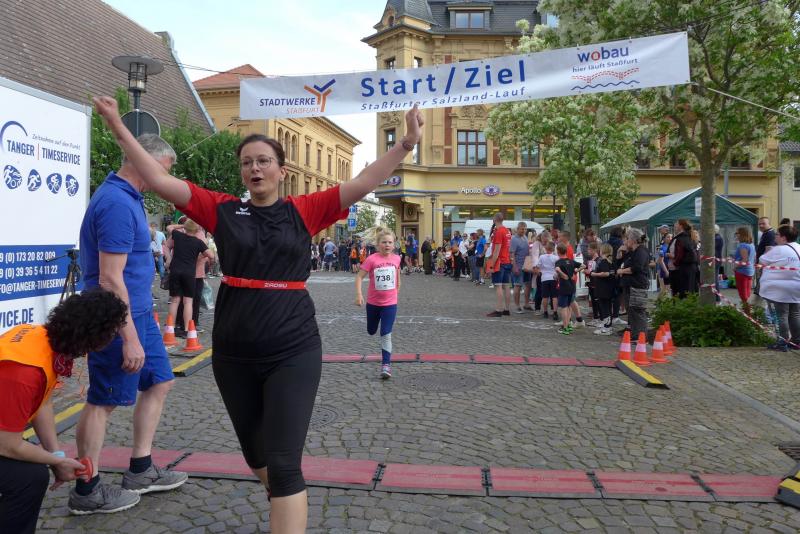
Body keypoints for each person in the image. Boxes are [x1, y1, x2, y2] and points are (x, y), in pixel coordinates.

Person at [94, 95, 423, 533]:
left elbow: (364, 180)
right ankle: (285, 502)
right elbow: (155, 176)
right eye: (247, 162)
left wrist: (405, 144)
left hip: (293, 348)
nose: (255, 168)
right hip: (234, 353)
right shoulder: (222, 209)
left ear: (281, 170)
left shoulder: (304, 210)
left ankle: (287, 503)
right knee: (256, 456)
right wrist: (117, 125)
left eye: (264, 161)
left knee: (284, 465)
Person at [74, 133, 187, 515]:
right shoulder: (117, 203)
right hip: (114, 319)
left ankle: (140, 469)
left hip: (139, 313)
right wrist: (129, 337)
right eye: (163, 171)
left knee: (160, 381)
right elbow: (110, 279)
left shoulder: (129, 198)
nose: (164, 179)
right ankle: (86, 490)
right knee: (103, 401)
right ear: (145, 162)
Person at [0, 289, 128, 533]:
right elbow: (8, 445)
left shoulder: (38, 338)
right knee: (29, 478)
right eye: (112, 333)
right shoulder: (26, 372)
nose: (113, 339)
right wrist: (55, 461)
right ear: (95, 337)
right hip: (4, 439)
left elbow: (43, 403)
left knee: (32, 470)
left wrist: (56, 456)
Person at [354, 227, 402, 378]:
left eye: (390, 242)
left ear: (394, 245)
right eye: (384, 242)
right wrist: (359, 294)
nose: (387, 245)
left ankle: (386, 365)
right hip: (373, 303)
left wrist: (397, 287)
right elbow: (359, 277)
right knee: (371, 330)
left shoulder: (396, 258)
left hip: (390, 304)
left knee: (386, 333)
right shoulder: (372, 259)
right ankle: (372, 327)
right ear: (378, 244)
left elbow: (397, 273)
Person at [166, 219, 214, 334]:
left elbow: (169, 227)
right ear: (197, 230)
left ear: (185, 228)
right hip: (189, 273)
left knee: (174, 301)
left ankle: (171, 327)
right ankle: (187, 329)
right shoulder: (198, 242)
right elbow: (211, 255)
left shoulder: (177, 235)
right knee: (188, 302)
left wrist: (182, 225)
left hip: (175, 271)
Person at [758, 224, 800, 351]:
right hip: (796, 287)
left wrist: (768, 251)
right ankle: (797, 341)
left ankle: (782, 342)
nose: (775, 236)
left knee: (780, 316)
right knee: (795, 314)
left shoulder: (778, 249)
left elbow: (762, 260)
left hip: (777, 289)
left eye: (777, 234)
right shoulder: (799, 247)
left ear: (783, 237)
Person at [617, 228, 651, 341]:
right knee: (632, 311)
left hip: (637, 285)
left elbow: (637, 267)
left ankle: (641, 337)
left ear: (633, 240)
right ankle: (636, 335)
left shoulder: (641, 251)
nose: (626, 241)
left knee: (637, 311)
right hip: (630, 285)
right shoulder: (633, 252)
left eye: (627, 238)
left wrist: (622, 271)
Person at [485, 212, 513, 317]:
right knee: (506, 286)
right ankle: (506, 309)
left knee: (498, 286)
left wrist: (491, 265)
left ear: (494, 219)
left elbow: (497, 251)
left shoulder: (499, 232)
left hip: (499, 262)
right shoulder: (507, 231)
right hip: (507, 261)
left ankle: (499, 310)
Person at [554, 243, 583, 335]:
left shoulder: (559, 262)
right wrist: (576, 271)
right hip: (572, 286)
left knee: (564, 307)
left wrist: (563, 275)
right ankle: (569, 326)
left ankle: (565, 327)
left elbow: (557, 269)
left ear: (558, 252)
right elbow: (583, 265)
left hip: (563, 287)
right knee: (569, 306)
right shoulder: (571, 261)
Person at [590, 244, 615, 335]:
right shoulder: (611, 261)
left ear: (603, 251)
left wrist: (594, 274)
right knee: (608, 307)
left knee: (604, 308)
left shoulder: (604, 261)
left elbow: (606, 273)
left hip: (603, 288)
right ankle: (608, 326)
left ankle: (606, 328)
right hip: (609, 287)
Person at [672, 219, 698, 298]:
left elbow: (679, 255)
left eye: (676, 224)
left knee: (684, 291)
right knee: (692, 290)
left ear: (680, 226)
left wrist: (675, 263)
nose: (674, 226)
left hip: (684, 268)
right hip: (693, 267)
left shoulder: (680, 239)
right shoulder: (691, 237)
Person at [733, 226, 756, 315]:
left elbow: (744, 259)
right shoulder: (751, 245)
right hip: (750, 271)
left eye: (737, 233)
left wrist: (736, 267)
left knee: (743, 294)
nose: (736, 235)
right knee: (747, 293)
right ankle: (749, 311)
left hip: (742, 271)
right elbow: (752, 258)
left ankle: (747, 312)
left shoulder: (742, 245)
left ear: (742, 234)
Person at [510, 222, 530, 313]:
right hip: (518, 265)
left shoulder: (525, 237)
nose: (524, 230)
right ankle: (517, 306)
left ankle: (526, 304)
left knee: (528, 285)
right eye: (522, 229)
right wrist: (514, 266)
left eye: (525, 229)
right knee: (517, 285)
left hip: (526, 266)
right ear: (517, 229)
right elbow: (512, 254)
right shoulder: (514, 239)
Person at [538, 241, 559, 319]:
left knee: (545, 296)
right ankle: (555, 312)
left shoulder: (541, 257)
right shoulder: (556, 258)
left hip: (544, 278)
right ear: (553, 249)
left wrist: (540, 271)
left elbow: (538, 266)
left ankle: (545, 312)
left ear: (546, 248)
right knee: (554, 296)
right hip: (553, 278)